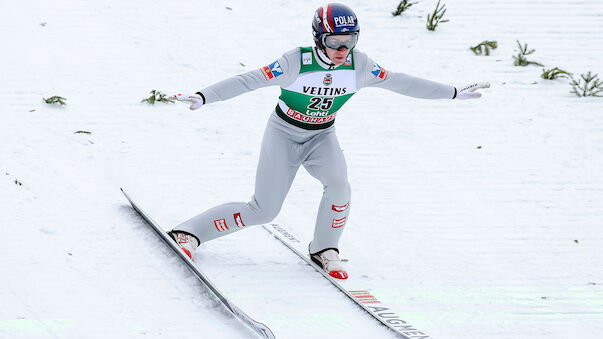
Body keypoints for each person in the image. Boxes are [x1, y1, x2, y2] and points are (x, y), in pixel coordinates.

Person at [169, 3, 489, 279]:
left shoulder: (358, 65)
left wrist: (453, 92)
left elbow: (400, 82)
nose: (341, 49)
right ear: (318, 38)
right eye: (334, 41)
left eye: (349, 41)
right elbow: (249, 80)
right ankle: (189, 233)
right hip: (283, 135)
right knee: (263, 211)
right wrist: (204, 96)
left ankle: (325, 247)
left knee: (339, 184)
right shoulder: (296, 61)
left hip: (322, 136)